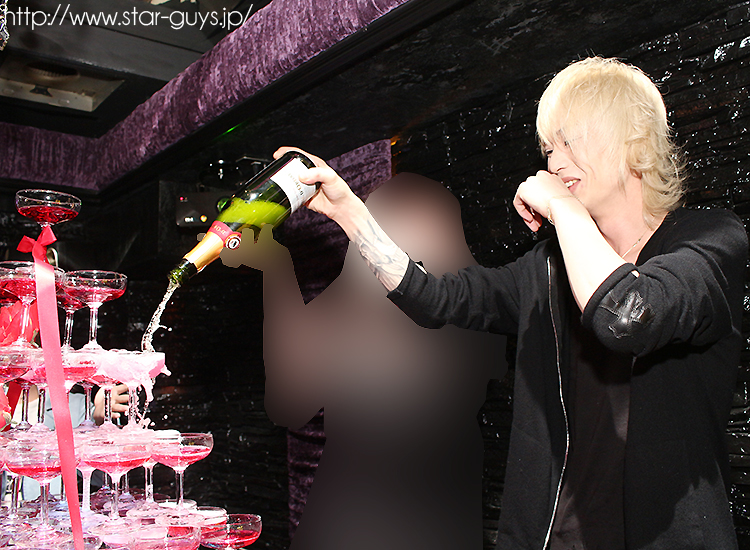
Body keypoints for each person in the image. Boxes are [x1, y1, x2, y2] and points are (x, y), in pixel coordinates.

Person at [271, 56, 748, 549]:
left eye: (569, 141)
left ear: (632, 140)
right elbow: (433, 297)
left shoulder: (708, 241)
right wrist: (351, 214)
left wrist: (563, 209)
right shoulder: (548, 267)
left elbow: (627, 315)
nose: (554, 163)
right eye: (550, 148)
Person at [222, 173, 506, 550]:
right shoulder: (358, 299)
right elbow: (288, 403)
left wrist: (279, 270)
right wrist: (276, 268)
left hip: (420, 517)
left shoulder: (470, 301)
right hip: (352, 513)